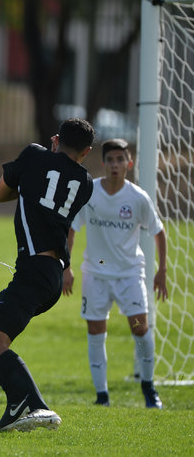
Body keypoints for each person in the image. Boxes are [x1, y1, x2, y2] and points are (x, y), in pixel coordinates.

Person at [0, 118, 95, 432]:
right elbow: (50, 188)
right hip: (50, 273)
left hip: (34, 273)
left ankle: (36, 406)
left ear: (56, 139)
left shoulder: (34, 156)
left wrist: (38, 159)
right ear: (87, 152)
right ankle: (17, 403)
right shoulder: (86, 183)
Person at [62, 138, 167, 409]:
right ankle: (102, 396)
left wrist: (161, 271)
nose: (115, 165)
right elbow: (72, 228)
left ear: (128, 164)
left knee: (139, 329)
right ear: (103, 163)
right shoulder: (90, 192)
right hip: (95, 276)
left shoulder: (137, 198)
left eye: (120, 160)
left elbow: (159, 232)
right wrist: (66, 266)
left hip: (129, 276)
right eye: (110, 160)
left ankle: (148, 388)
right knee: (96, 331)